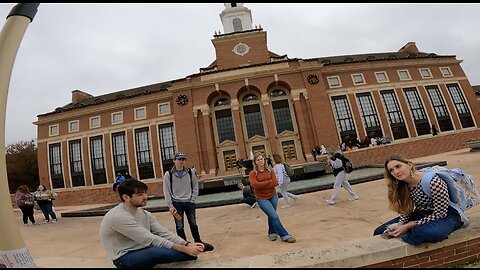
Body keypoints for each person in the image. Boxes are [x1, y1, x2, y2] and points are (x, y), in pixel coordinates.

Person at [99, 179, 205, 268]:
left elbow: (163, 232)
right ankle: (189, 252)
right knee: (158, 252)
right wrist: (185, 249)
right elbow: (149, 239)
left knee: (183, 252)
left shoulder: (145, 214)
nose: (145, 196)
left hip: (143, 249)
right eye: (140, 194)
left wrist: (187, 244)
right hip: (124, 258)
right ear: (126, 197)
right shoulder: (118, 216)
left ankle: (193, 249)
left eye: (145, 193)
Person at [373, 154, 464, 245]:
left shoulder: (434, 182)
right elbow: (406, 209)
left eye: (398, 166)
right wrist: (401, 224)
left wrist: (408, 226)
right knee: (379, 231)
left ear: (409, 165)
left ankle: (409, 232)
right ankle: (408, 231)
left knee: (432, 233)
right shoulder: (402, 185)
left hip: (445, 217)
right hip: (420, 215)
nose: (396, 172)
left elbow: (440, 214)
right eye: (391, 170)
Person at [163, 152, 214, 252]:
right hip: (177, 203)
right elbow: (166, 190)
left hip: (189, 202)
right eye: (179, 159)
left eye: (183, 159)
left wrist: (193, 199)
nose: (181, 161)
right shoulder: (168, 174)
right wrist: (170, 205)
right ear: (174, 161)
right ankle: (183, 244)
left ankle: (198, 241)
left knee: (193, 223)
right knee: (179, 225)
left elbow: (195, 186)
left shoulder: (190, 172)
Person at [249, 152, 296, 243]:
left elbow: (275, 182)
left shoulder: (270, 170)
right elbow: (255, 185)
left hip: (273, 196)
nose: (260, 161)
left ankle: (272, 232)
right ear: (255, 162)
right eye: (258, 160)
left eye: (261, 159)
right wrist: (268, 182)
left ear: (264, 160)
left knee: (271, 216)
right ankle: (284, 235)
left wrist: (263, 184)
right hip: (261, 198)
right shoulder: (253, 173)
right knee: (274, 216)